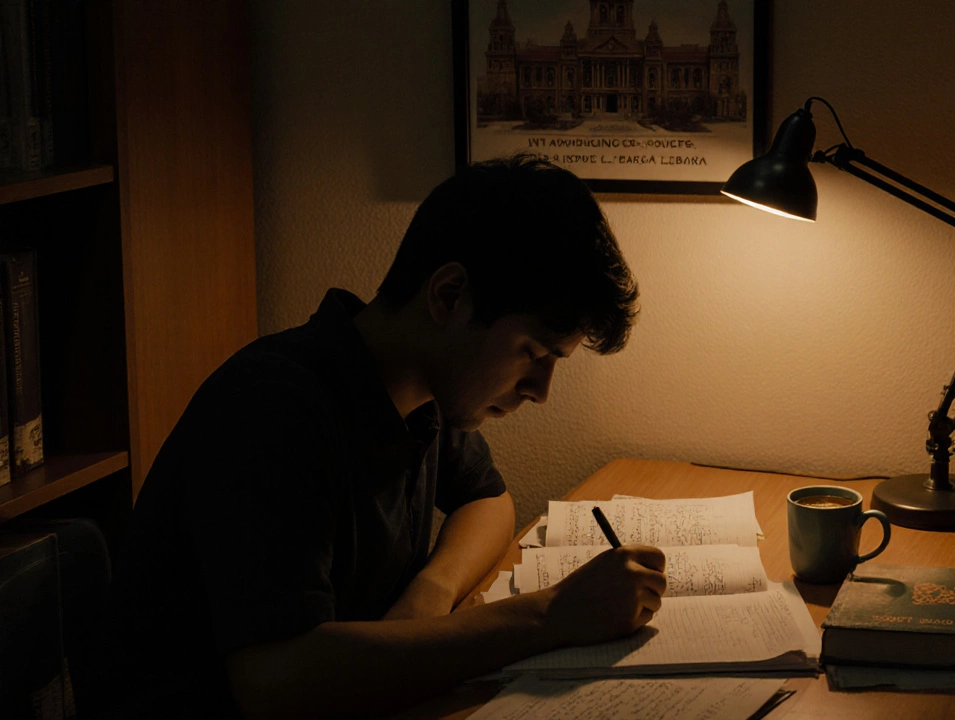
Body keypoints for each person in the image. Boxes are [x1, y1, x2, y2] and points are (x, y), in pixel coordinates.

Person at [103, 155, 667, 719]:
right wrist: (550, 617)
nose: (540, 390)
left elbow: (488, 499)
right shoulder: (275, 409)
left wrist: (433, 589)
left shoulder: (424, 388)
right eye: (533, 353)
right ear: (448, 296)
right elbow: (276, 681)